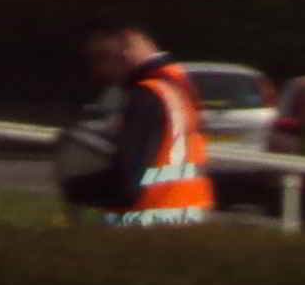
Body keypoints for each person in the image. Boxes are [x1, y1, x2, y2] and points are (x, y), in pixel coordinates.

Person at [59, 21, 216, 227]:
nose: (99, 70)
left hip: (148, 221)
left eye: (102, 57)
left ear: (127, 44)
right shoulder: (178, 82)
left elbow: (128, 183)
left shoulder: (146, 95)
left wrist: (76, 189)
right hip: (189, 216)